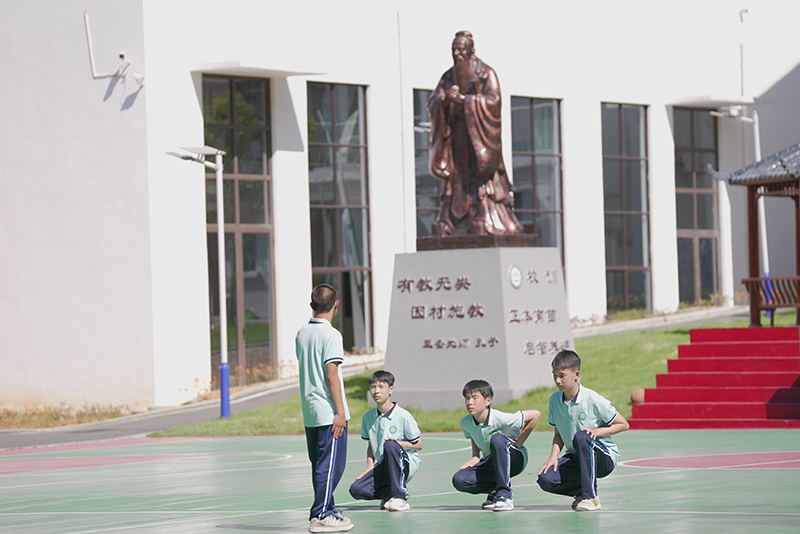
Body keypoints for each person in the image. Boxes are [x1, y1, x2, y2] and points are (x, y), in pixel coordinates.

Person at [427, 30, 522, 237]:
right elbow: (433, 102)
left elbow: (494, 101)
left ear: (471, 51)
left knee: (482, 179)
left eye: (461, 50)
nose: (457, 54)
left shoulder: (485, 73)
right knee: (456, 182)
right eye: (454, 50)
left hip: (478, 138)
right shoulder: (448, 76)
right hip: (457, 140)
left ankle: (483, 215)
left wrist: (467, 102)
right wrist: (445, 101)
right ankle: (451, 221)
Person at [537, 350, 629, 511]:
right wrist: (553, 457)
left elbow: (623, 424)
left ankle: (591, 498)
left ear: (576, 374)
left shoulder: (592, 398)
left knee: (582, 436)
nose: (557, 380)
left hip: (603, 458)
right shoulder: (554, 400)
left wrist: (597, 432)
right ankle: (582, 491)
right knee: (545, 478)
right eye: (554, 375)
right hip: (576, 457)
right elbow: (558, 434)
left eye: (562, 375)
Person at [296, 284, 353, 533]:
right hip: (328, 411)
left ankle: (328, 507)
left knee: (320, 465)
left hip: (310, 411)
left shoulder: (302, 333)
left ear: (312, 305)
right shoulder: (331, 335)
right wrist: (340, 412)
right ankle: (320, 515)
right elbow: (331, 374)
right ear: (336, 305)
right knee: (332, 466)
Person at [452, 379, 540, 511]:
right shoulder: (466, 423)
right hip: (492, 461)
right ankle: (495, 489)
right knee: (459, 480)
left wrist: (518, 443)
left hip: (516, 459)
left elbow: (535, 415)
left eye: (475, 398)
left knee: (498, 439)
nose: (470, 402)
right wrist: (475, 455)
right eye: (467, 398)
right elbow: (473, 434)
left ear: (488, 401)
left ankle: (505, 495)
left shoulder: (500, 417)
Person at [348, 370, 423, 512]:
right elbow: (370, 446)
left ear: (391, 389)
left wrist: (397, 444)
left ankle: (400, 497)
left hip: (405, 463)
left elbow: (419, 445)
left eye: (381, 387)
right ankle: (389, 495)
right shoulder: (368, 417)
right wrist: (369, 465)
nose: (376, 391)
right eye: (373, 387)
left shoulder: (403, 415)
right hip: (384, 464)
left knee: (390, 445)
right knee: (357, 489)